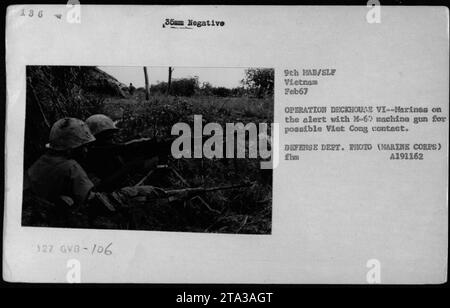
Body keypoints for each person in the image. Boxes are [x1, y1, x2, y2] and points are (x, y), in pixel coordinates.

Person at [84, 114, 162, 192]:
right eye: (106, 137)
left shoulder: (109, 151)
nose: (111, 140)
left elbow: (125, 148)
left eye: (111, 136)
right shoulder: (92, 154)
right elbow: (100, 186)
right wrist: (128, 168)